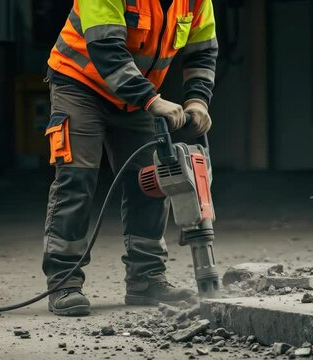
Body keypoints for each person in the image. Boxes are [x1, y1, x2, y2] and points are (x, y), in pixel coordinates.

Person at [42, 0, 218, 316]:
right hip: (80, 83)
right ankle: (64, 282)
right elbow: (106, 49)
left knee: (152, 180)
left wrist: (198, 101)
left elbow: (202, 51)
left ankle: (146, 279)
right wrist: (151, 100)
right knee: (77, 179)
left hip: (137, 96)